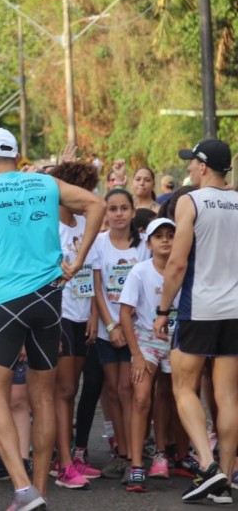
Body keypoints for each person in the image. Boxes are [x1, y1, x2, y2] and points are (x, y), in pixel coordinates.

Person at [0, 128, 105, 511]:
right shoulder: (46, 182)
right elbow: (96, 207)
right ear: (16, 156)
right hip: (49, 299)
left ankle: (23, 489)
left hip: (7, 302)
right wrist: (79, 260)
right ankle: (39, 492)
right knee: (43, 398)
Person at [154, 139, 238, 502]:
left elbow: (177, 262)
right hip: (235, 310)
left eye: (192, 164)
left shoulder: (190, 201)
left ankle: (208, 466)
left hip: (199, 309)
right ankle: (226, 479)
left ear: (203, 167)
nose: (189, 169)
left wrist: (162, 309)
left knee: (183, 388)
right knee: (228, 396)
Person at [47, 161, 102, 490]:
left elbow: (93, 272)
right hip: (60, 315)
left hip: (84, 317)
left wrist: (95, 314)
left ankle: (68, 456)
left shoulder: (86, 222)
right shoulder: (50, 226)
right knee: (64, 390)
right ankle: (63, 462)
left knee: (72, 389)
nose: (87, 196)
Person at [92, 189, 149, 480]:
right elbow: (98, 289)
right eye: (112, 208)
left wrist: (127, 327)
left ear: (132, 210)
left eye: (123, 208)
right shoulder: (99, 244)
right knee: (112, 390)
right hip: (107, 329)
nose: (118, 214)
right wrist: (111, 326)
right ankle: (121, 452)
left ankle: (133, 456)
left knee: (129, 390)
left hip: (135, 331)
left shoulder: (143, 246)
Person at [119, 217, 177, 492]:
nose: (165, 240)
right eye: (159, 236)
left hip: (177, 342)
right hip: (145, 340)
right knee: (141, 397)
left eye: (170, 235)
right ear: (149, 242)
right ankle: (136, 465)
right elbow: (124, 313)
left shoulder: (184, 270)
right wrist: (137, 354)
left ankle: (161, 454)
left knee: (166, 394)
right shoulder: (140, 272)